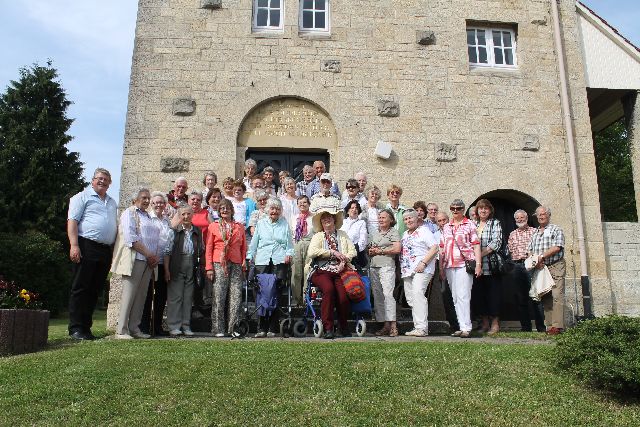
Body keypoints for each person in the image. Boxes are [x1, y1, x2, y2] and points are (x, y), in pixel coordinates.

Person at [67, 168, 118, 340]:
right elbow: (72, 221)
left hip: (104, 249)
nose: (102, 181)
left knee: (95, 289)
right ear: (92, 180)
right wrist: (74, 245)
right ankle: (75, 328)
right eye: (99, 178)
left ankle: (86, 328)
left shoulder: (111, 202)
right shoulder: (81, 197)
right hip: (86, 245)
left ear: (110, 183)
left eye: (105, 179)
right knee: (81, 287)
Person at [115, 188, 161, 339]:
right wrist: (149, 254)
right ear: (135, 199)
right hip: (136, 259)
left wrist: (154, 257)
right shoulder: (130, 213)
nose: (147, 201)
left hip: (148, 262)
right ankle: (121, 330)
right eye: (144, 198)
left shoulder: (147, 215)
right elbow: (131, 238)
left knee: (141, 296)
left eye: (148, 198)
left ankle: (134, 328)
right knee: (129, 294)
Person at [306, 206, 357, 339]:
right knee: (328, 290)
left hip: (340, 271)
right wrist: (331, 252)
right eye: (323, 219)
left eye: (329, 217)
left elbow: (352, 251)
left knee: (343, 297)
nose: (326, 220)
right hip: (321, 271)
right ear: (321, 224)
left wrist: (343, 261)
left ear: (334, 220)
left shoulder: (343, 235)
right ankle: (328, 328)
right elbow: (312, 252)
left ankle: (343, 326)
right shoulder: (318, 236)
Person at [247, 198, 294, 337]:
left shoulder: (284, 224)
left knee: (275, 293)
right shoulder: (261, 223)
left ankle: (273, 327)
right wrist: (250, 256)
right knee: (261, 293)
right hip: (262, 260)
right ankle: (261, 327)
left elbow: (289, 246)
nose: (274, 211)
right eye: (272, 209)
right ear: (268, 210)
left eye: (277, 209)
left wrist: (289, 254)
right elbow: (254, 243)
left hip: (279, 261)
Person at [439, 199, 482, 338]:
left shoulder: (469, 224)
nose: (455, 211)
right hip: (449, 265)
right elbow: (442, 247)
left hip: (464, 264)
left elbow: (476, 245)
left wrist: (479, 264)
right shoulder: (447, 226)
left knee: (464, 295)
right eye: (453, 208)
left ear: (463, 210)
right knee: (455, 297)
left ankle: (466, 327)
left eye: (458, 208)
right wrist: (441, 268)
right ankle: (461, 325)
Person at [206, 199, 247, 337]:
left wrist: (243, 263)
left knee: (236, 296)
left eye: (227, 208)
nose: (225, 210)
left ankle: (233, 327)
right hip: (219, 262)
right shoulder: (213, 226)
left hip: (235, 263)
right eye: (222, 208)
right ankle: (218, 328)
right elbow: (209, 247)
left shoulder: (239, 226)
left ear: (232, 210)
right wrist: (209, 267)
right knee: (219, 295)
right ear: (219, 211)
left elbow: (243, 247)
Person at [164, 206, 204, 337]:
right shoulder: (174, 231)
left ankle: (186, 325)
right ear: (179, 216)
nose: (186, 217)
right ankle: (174, 326)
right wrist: (166, 269)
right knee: (176, 297)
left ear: (192, 215)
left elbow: (201, 249)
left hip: (191, 264)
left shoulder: (197, 231)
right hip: (177, 263)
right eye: (183, 214)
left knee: (188, 298)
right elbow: (167, 251)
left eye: (188, 214)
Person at [527, 205, 566, 335]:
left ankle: (558, 326)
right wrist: (534, 261)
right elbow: (529, 251)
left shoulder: (556, 229)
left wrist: (541, 257)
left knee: (557, 295)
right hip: (541, 268)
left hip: (555, 265)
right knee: (546, 296)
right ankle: (549, 326)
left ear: (549, 215)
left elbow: (557, 247)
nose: (541, 216)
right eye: (539, 215)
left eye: (543, 214)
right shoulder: (535, 233)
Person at [400, 209, 439, 337]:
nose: (408, 221)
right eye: (405, 219)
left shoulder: (424, 231)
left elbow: (434, 248)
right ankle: (418, 326)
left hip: (422, 268)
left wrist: (423, 263)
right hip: (408, 270)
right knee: (411, 299)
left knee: (418, 294)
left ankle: (422, 328)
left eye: (410, 218)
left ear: (417, 219)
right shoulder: (405, 234)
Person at [141, 192, 173, 336]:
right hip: (149, 261)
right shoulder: (148, 219)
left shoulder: (167, 221)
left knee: (161, 297)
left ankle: (157, 326)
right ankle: (144, 326)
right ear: (152, 205)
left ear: (165, 205)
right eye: (155, 203)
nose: (158, 205)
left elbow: (168, 243)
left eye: (161, 202)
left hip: (163, 262)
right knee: (147, 295)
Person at [508, 209, 545, 332]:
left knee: (535, 296)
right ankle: (525, 327)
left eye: (522, 217)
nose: (520, 220)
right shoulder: (512, 234)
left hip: (531, 265)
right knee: (520, 297)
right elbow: (510, 250)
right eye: (517, 218)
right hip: (517, 266)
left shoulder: (535, 231)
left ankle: (540, 327)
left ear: (527, 218)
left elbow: (539, 248)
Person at [472, 199, 504, 335]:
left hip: (491, 266)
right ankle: (484, 323)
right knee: (480, 296)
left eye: (486, 208)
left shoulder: (495, 223)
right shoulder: (473, 224)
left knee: (493, 295)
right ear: (477, 211)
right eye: (480, 208)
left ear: (490, 210)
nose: (483, 211)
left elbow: (496, 243)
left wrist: (479, 254)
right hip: (477, 268)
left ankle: (495, 324)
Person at [368, 209, 401, 337]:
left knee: (388, 294)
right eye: (379, 217)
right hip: (374, 266)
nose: (381, 219)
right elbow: (371, 248)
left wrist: (380, 251)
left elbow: (397, 248)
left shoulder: (393, 232)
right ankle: (384, 325)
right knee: (378, 296)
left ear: (391, 220)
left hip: (387, 266)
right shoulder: (375, 233)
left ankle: (393, 325)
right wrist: (371, 251)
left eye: (383, 217)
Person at [435, 211, 459, 332]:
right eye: (439, 221)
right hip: (443, 268)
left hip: (456, 267)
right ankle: (454, 325)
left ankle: (463, 324)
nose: (442, 223)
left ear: (448, 219)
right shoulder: (435, 235)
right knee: (447, 297)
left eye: (444, 220)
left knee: (459, 296)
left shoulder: (455, 231)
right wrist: (440, 270)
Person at [291, 196, 314, 305]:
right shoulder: (294, 218)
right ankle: (296, 299)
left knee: (307, 271)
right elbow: (291, 234)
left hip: (310, 243)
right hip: (297, 243)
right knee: (296, 272)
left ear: (309, 204)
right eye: (300, 203)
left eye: (305, 202)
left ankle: (306, 298)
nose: (302, 204)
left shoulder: (313, 218)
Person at [340, 200, 368, 268]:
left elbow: (363, 241)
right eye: (352, 208)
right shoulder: (342, 222)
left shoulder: (361, 223)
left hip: (355, 255)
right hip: (341, 252)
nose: (354, 210)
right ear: (348, 211)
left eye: (356, 208)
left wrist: (353, 252)